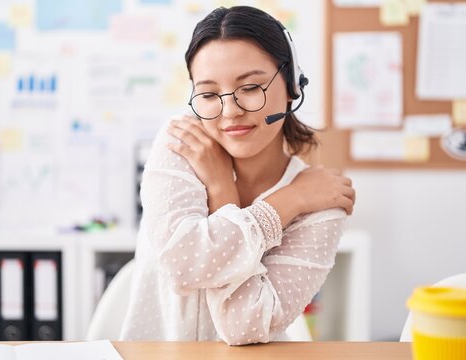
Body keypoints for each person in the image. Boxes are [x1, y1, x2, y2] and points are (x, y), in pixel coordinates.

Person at [120, 6, 355, 345]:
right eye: (209, 94)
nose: (230, 112)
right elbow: (181, 266)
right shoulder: (180, 145)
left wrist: (223, 196)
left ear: (291, 86)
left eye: (250, 88)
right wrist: (285, 201)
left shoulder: (322, 202)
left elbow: (243, 326)